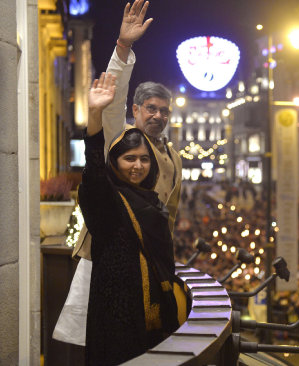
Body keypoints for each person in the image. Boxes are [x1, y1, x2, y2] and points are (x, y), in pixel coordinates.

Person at [80, 72, 187, 365]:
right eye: (129, 158)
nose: (138, 165)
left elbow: (167, 227)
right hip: (116, 302)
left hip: (151, 298)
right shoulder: (108, 197)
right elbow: (94, 168)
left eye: (144, 159)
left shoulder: (151, 197)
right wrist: (94, 112)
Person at [73, 0, 182, 259]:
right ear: (135, 110)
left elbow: (170, 216)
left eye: (164, 111)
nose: (158, 115)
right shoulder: (121, 139)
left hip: (147, 257)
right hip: (104, 253)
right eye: (151, 108)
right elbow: (113, 100)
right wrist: (123, 47)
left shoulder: (174, 158)